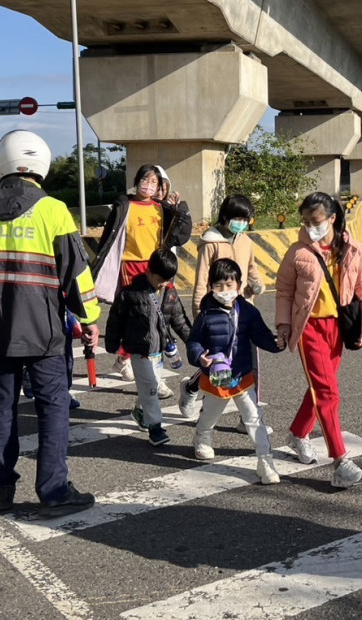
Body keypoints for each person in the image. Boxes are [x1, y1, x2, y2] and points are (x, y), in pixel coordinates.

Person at [0, 129, 99, 519]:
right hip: (44, 331)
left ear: (0, 163)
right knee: (53, 409)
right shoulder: (53, 209)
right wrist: (89, 318)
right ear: (42, 164)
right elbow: (76, 274)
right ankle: (53, 491)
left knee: (1, 407)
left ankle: (1, 489)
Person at [275, 191, 362, 489]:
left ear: (333, 217)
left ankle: (297, 433)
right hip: (309, 328)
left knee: (321, 387)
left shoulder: (353, 250)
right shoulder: (298, 252)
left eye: (316, 220)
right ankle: (339, 461)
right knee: (328, 393)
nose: (311, 226)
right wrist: (284, 325)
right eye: (306, 221)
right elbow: (284, 291)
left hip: (338, 327)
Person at [93, 164, 192, 382]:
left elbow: (180, 236)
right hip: (130, 265)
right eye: (145, 180)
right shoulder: (124, 206)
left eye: (154, 182)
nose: (148, 186)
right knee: (136, 315)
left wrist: (179, 210)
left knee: (157, 315)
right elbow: (108, 239)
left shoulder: (161, 208)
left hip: (155, 265)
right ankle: (130, 359)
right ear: (136, 181)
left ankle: (135, 362)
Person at [187, 258, 282, 484]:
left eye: (229, 286)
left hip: (242, 376)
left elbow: (260, 334)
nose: (225, 291)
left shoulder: (247, 311)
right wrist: (200, 356)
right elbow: (193, 341)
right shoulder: (206, 315)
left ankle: (265, 460)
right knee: (211, 414)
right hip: (217, 377)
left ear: (239, 286)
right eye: (219, 286)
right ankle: (202, 437)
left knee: (254, 418)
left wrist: (276, 343)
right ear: (211, 286)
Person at [182, 193, 267, 421]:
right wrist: (200, 315)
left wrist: (258, 284)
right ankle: (193, 389)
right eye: (238, 218)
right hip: (216, 313)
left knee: (248, 362)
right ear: (225, 216)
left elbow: (252, 269)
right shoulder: (210, 243)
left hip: (243, 312)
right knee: (218, 362)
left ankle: (247, 418)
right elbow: (201, 281)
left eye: (245, 219)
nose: (242, 223)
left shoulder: (245, 241)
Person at [104, 249, 191, 448]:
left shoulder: (169, 292)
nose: (164, 284)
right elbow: (115, 320)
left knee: (149, 387)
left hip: (158, 352)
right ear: (149, 272)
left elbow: (179, 320)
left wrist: (193, 341)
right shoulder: (130, 293)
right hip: (139, 351)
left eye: (168, 280)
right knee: (152, 389)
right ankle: (155, 428)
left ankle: (139, 412)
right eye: (161, 279)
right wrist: (112, 342)